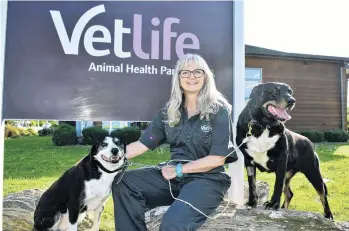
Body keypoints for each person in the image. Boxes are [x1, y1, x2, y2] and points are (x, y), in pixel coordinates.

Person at [112, 53, 238, 231]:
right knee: (123, 181)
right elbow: (141, 145)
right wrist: (99, 159)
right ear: (178, 79)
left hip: (207, 180)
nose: (191, 76)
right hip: (174, 178)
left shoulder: (219, 110)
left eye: (197, 72)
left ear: (206, 77)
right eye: (185, 72)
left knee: (173, 224)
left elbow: (217, 159)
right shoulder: (169, 111)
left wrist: (180, 169)